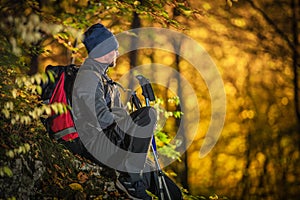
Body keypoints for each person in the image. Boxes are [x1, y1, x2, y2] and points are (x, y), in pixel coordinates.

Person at [72, 23, 157, 200]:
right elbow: (101, 119)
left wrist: (137, 134)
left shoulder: (107, 81)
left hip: (111, 139)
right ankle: (129, 180)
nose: (117, 53)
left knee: (167, 187)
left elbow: (120, 116)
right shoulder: (88, 78)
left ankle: (134, 177)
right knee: (148, 114)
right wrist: (133, 129)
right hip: (95, 143)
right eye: (114, 49)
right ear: (102, 52)